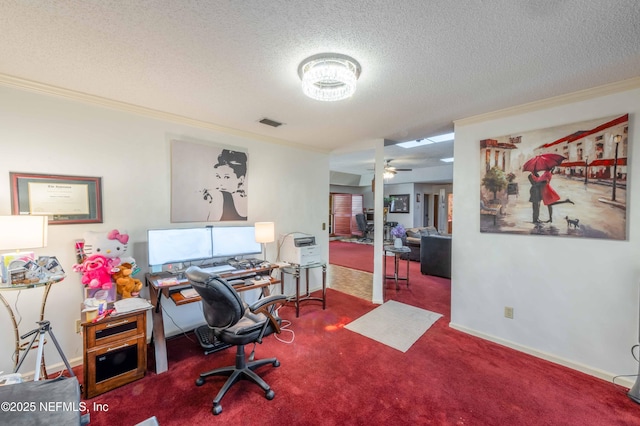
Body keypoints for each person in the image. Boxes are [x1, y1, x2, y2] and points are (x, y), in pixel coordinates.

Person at [201, 149, 247, 221]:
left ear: (241, 179)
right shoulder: (216, 196)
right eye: (218, 177)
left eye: (227, 177)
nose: (221, 183)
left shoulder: (248, 202)